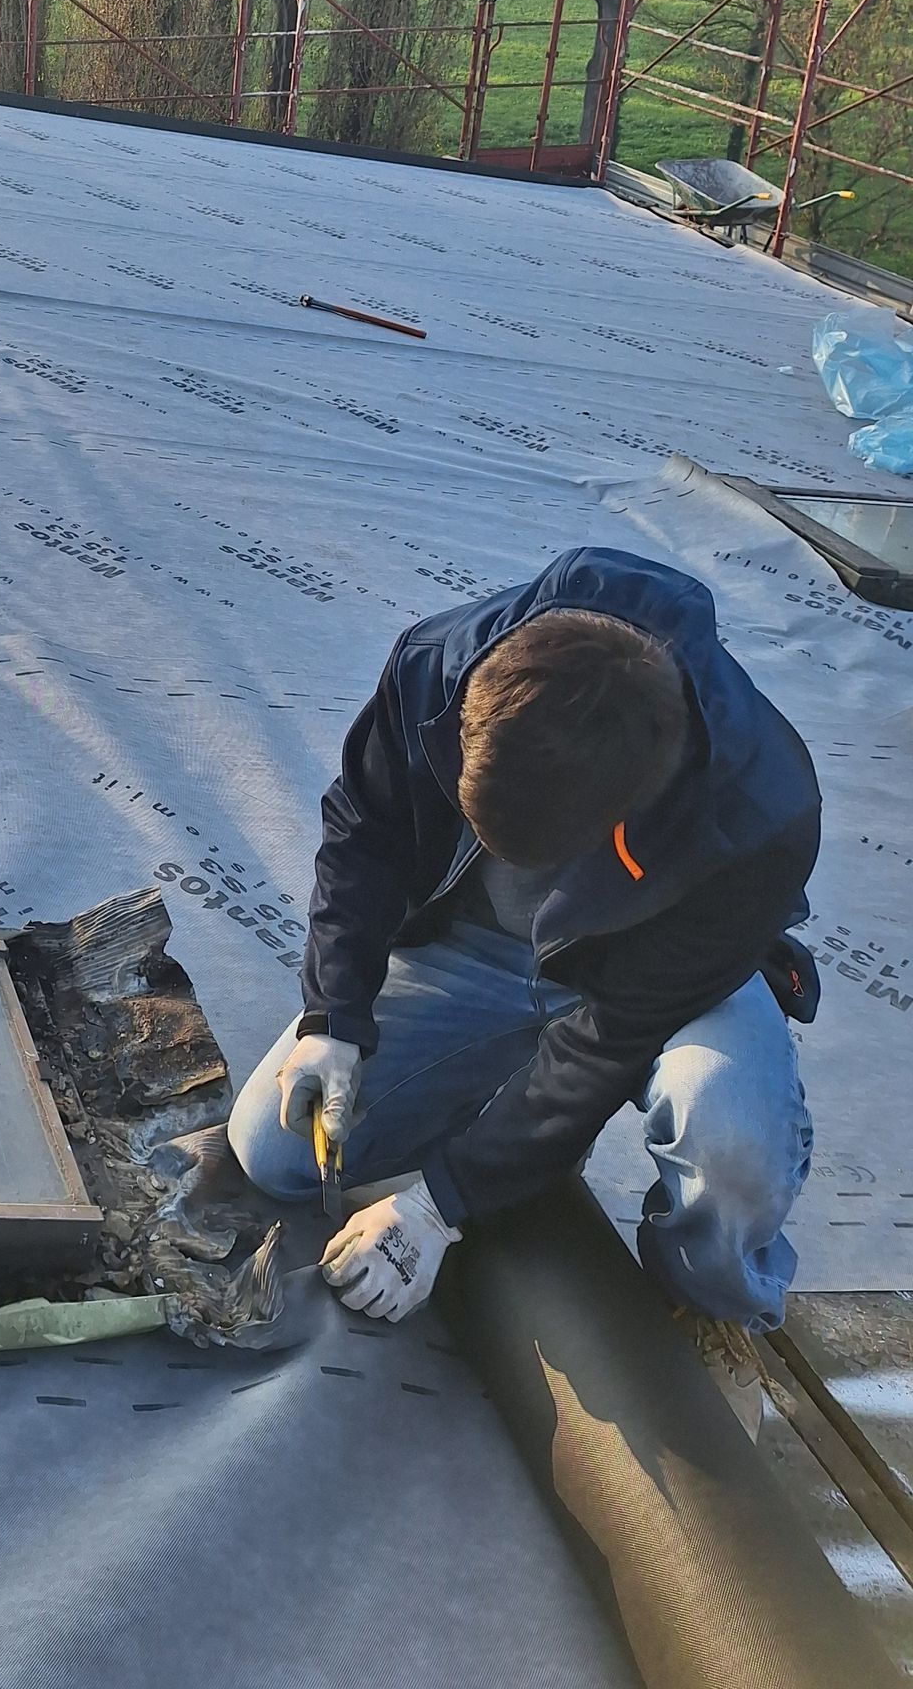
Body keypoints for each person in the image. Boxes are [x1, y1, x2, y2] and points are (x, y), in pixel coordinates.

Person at [227, 547, 820, 1346]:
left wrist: (439, 1206)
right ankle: (504, 1129)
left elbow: (612, 1040)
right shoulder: (441, 668)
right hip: (486, 948)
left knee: (729, 1138)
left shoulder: (760, 815)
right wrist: (333, 1017)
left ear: (626, 811)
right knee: (272, 1149)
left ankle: (709, 1305)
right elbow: (365, 835)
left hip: (668, 982)